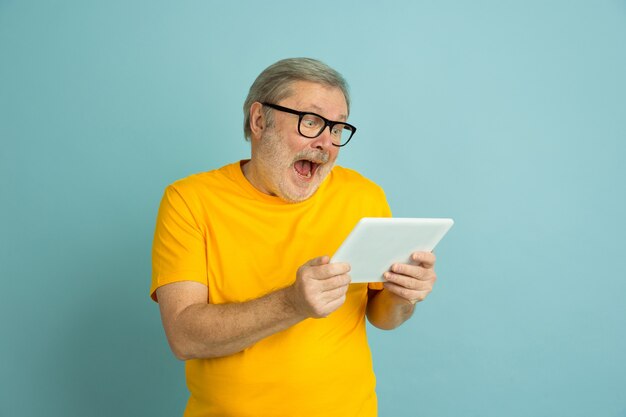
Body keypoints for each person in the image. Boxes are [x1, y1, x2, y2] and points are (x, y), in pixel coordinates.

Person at [150, 57, 438, 417]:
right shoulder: (189, 201)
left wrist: (402, 296)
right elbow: (184, 336)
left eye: (337, 128)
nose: (326, 143)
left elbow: (383, 317)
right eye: (312, 121)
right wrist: (293, 303)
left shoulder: (365, 197)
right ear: (259, 120)